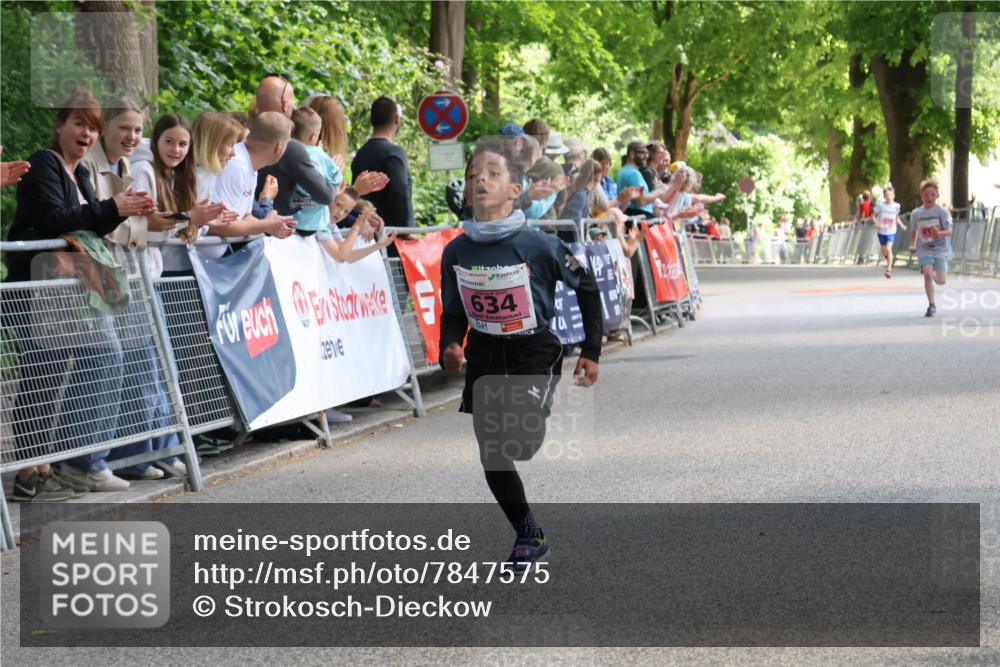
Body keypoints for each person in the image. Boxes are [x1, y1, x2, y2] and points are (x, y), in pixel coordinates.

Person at [439, 138, 602, 569]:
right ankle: (528, 532)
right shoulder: (457, 251)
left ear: (516, 189)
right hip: (486, 354)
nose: (480, 181)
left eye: (493, 174)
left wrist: (592, 350)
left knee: (520, 444)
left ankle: (528, 518)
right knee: (492, 451)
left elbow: (585, 286)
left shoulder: (539, 245)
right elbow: (453, 311)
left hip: (534, 351)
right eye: (474, 175)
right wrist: (451, 346)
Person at [5, 87, 156, 495]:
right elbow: (56, 218)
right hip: (36, 291)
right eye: (79, 125)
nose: (87, 135)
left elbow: (89, 225)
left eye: (93, 128)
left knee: (81, 367)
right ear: (60, 126)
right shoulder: (43, 164)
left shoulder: (83, 173)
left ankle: (65, 462)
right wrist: (112, 209)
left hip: (70, 293)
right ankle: (29, 472)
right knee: (42, 378)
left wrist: (126, 209)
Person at [210, 112, 297, 240]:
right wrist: (264, 225)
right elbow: (218, 225)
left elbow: (244, 216)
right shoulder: (236, 164)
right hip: (200, 257)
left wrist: (273, 226)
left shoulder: (250, 163)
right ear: (278, 147)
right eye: (286, 144)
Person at [351, 96, 413, 234]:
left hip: (364, 231)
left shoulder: (360, 154)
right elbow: (400, 193)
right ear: (397, 119)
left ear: (371, 120)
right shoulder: (394, 154)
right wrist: (406, 230)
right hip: (390, 234)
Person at [908, 179, 953, 317]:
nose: (929, 198)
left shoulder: (942, 212)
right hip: (925, 248)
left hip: (941, 248)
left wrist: (939, 233)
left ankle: (934, 272)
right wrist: (912, 244)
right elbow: (914, 230)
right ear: (921, 196)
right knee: (927, 274)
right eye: (926, 194)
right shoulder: (916, 213)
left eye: (932, 195)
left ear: (937, 196)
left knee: (941, 281)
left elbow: (950, 231)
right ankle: (931, 304)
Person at [616, 142, 662, 218]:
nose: (646, 156)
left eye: (647, 153)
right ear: (632, 154)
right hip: (639, 217)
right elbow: (641, 201)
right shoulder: (633, 173)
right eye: (642, 153)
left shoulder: (624, 170)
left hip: (635, 216)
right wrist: (659, 191)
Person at [873, 183, 906, 278]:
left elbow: (896, 217)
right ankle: (890, 261)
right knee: (885, 252)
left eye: (890, 195)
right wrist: (877, 223)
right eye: (886, 195)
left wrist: (901, 225)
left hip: (891, 231)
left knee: (888, 249)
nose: (888, 197)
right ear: (884, 196)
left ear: (894, 195)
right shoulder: (880, 206)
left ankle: (889, 270)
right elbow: (873, 216)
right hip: (881, 232)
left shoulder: (896, 206)